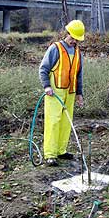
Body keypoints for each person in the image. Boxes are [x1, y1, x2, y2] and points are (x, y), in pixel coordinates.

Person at [39, 20, 85, 167]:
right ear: (68, 34)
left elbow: (79, 74)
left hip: (70, 93)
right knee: (53, 122)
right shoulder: (55, 48)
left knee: (66, 123)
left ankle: (61, 150)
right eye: (73, 38)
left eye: (77, 39)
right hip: (55, 92)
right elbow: (43, 69)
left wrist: (79, 93)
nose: (74, 41)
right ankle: (50, 154)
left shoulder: (77, 52)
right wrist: (46, 86)